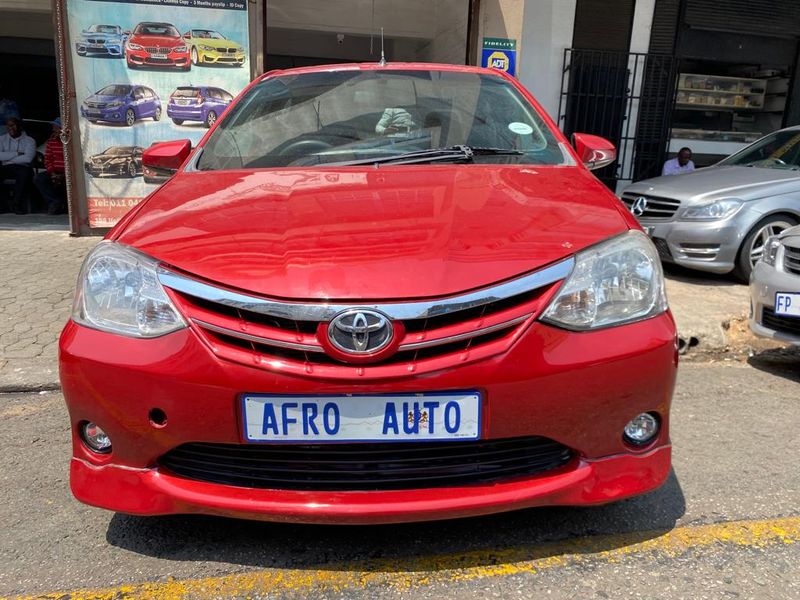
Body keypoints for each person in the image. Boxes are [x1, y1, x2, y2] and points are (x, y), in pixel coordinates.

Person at [0, 117, 36, 214]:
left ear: (20, 126)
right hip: (6, 167)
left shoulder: (29, 140)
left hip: (23, 167)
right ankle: (3, 205)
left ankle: (16, 204)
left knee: (24, 175)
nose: (10, 128)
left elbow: (28, 158)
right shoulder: (2, 139)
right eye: (8, 125)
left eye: (13, 125)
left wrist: (7, 157)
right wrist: (17, 153)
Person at [34, 117, 66, 214]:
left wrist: (64, 175)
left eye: (56, 128)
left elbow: (72, 161)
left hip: (67, 172)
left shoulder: (69, 142)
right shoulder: (51, 142)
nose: (54, 130)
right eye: (53, 127)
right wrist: (52, 173)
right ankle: (54, 202)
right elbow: (48, 159)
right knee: (38, 179)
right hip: (54, 172)